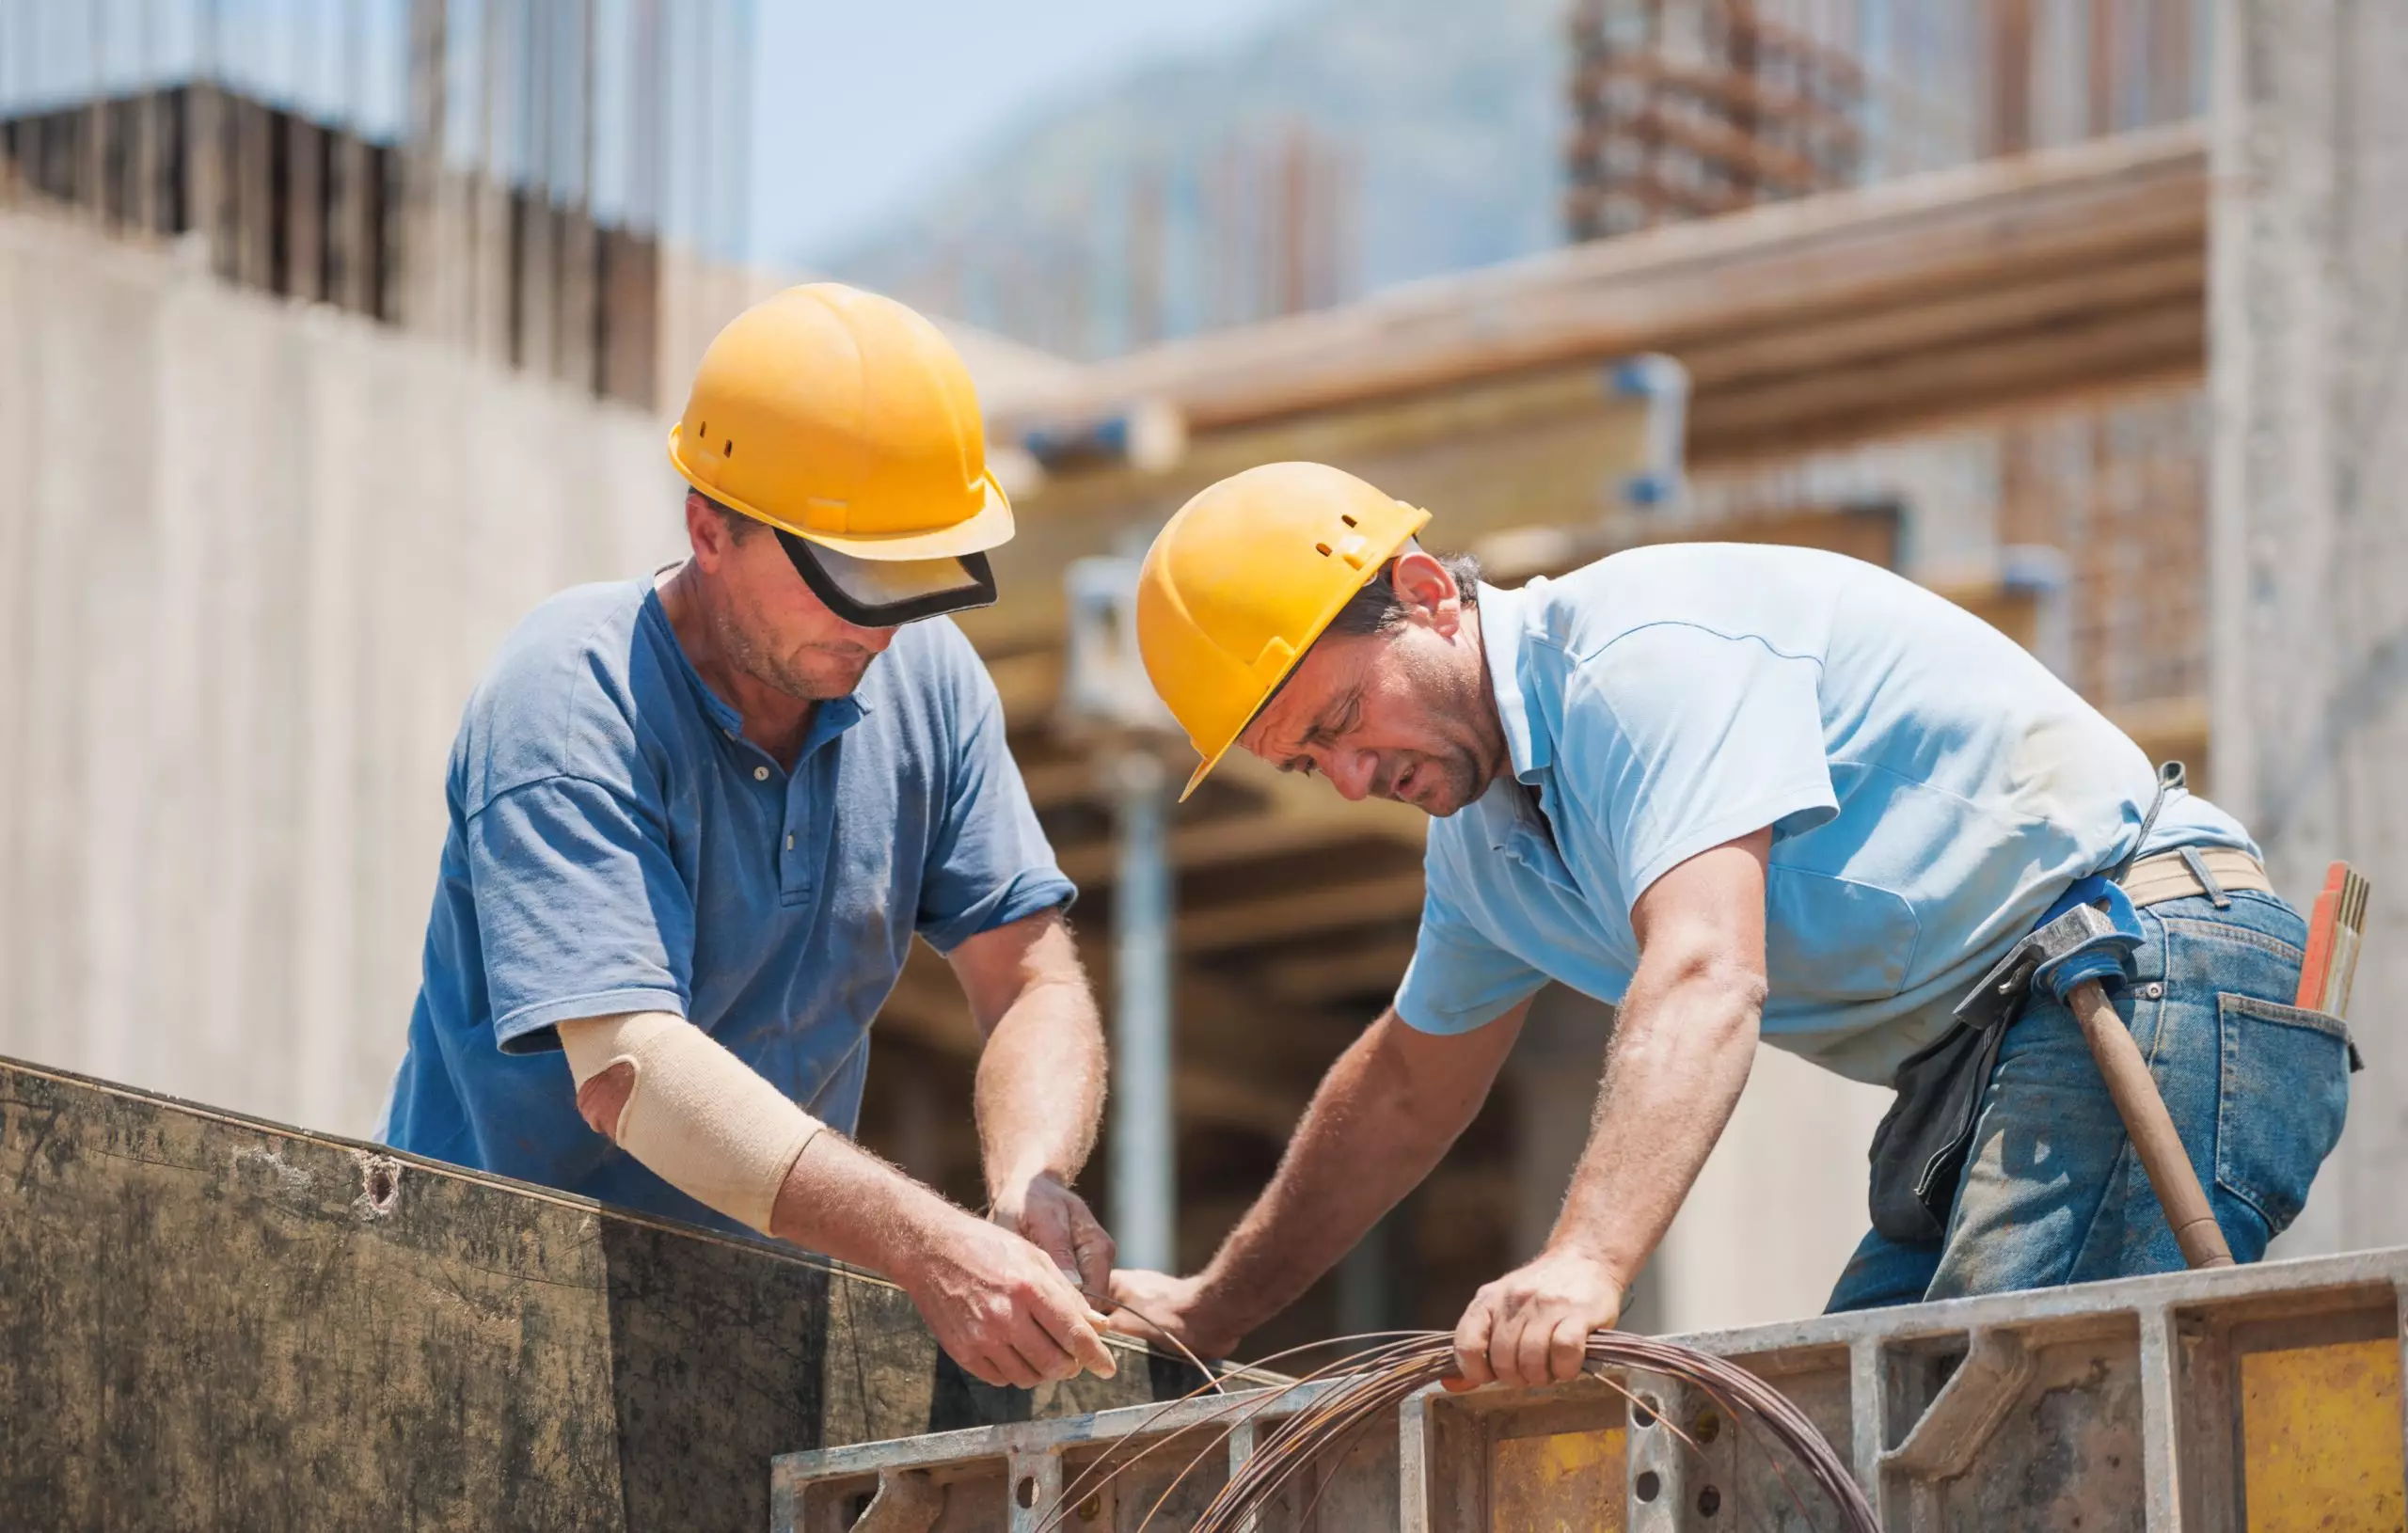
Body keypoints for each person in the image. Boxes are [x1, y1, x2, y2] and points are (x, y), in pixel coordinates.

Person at [1105, 460, 2352, 1390]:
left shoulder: (1638, 659)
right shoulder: (1488, 850)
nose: (1348, 775)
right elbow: (1402, 1093)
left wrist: (1587, 1259)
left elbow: (1706, 970)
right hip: (2006, 1055)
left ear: (1427, 595)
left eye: (1340, 719)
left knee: (1998, 1439)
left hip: (2151, 970)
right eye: (1305, 763)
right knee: (1837, 1452)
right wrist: (1213, 1310)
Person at [378, 284, 1117, 1389]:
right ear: (708, 529)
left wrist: (1029, 1185)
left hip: (754, 1336)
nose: (878, 621)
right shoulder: (572, 696)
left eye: (911, 575)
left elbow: (1029, 980)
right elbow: (631, 1071)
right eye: (845, 576)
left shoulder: (927, 681)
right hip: (484, 1320)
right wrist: (927, 1245)